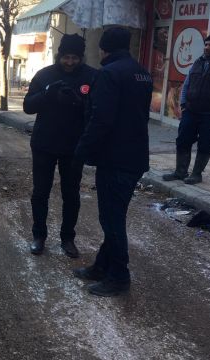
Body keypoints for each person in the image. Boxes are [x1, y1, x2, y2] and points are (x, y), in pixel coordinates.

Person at [73, 27, 153, 297]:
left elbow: (101, 118)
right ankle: (102, 265)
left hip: (116, 158)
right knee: (114, 215)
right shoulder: (142, 71)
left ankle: (119, 276)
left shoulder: (109, 73)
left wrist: (81, 150)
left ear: (104, 48)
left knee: (112, 219)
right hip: (134, 156)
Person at [23, 34, 96, 258]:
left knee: (71, 194)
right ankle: (39, 236)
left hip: (73, 147)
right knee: (40, 193)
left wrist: (79, 101)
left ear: (81, 57)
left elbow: (97, 110)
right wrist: (47, 93)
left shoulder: (92, 77)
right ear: (59, 55)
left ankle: (67, 238)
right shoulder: (45, 75)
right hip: (44, 144)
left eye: (75, 57)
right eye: (66, 57)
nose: (70, 62)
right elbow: (27, 107)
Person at [162, 32, 210, 185]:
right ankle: (180, 172)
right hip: (191, 111)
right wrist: (183, 105)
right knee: (182, 140)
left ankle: (196, 174)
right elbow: (187, 83)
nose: (207, 47)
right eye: (206, 45)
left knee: (205, 143)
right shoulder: (198, 62)